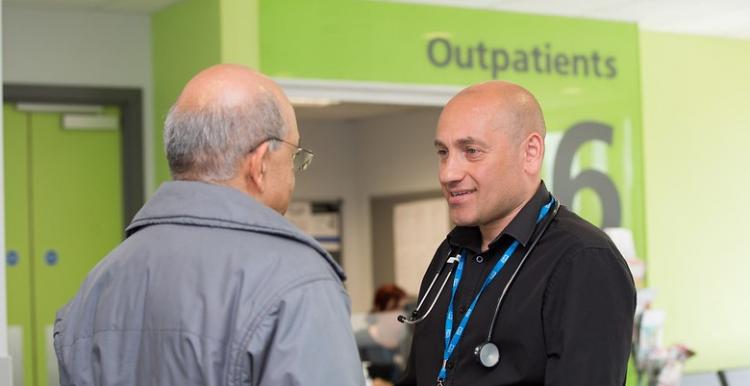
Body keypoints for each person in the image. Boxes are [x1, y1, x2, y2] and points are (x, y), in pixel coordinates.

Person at [53, 64, 365, 386]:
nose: (294, 174)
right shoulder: (297, 282)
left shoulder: (99, 283)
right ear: (259, 164)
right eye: (294, 155)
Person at [397, 81, 636, 385]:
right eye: (443, 152)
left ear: (530, 153)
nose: (448, 173)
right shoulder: (451, 254)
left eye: (471, 151)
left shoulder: (583, 261)